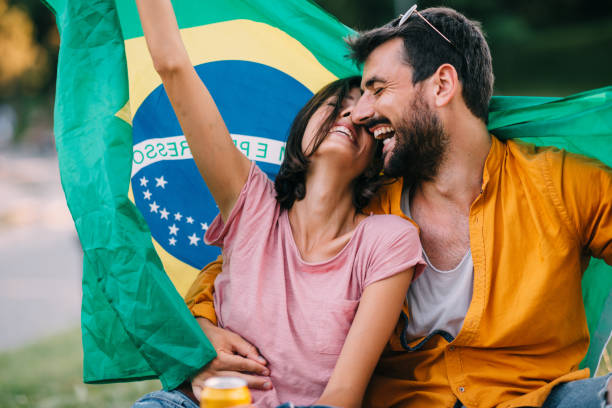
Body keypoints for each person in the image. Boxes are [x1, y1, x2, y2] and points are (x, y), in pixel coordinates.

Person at [184, 5, 612, 408]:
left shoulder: (560, 184)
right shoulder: (362, 210)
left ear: (442, 86)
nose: (362, 113)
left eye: (377, 90)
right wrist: (205, 332)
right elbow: (237, 270)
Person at [132, 1, 426, 407]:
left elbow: (344, 394)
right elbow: (173, 67)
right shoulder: (251, 203)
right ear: (302, 124)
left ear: (377, 154)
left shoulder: (388, 241)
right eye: (337, 105)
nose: (351, 116)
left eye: (364, 115)